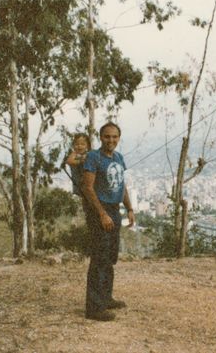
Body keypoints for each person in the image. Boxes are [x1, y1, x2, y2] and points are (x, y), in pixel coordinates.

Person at [82, 122, 135, 321]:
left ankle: (106, 298)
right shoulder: (93, 157)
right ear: (100, 137)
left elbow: (121, 186)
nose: (111, 140)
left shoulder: (119, 158)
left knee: (110, 257)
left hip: (114, 210)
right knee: (99, 258)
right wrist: (102, 214)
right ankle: (94, 308)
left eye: (114, 137)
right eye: (107, 136)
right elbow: (87, 187)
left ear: (118, 138)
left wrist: (129, 208)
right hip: (99, 211)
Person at [65, 132, 91, 199]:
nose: (79, 146)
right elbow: (69, 161)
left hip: (88, 185)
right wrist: (80, 161)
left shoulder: (89, 154)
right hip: (78, 186)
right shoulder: (74, 154)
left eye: (82, 144)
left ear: (87, 146)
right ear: (73, 146)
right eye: (77, 144)